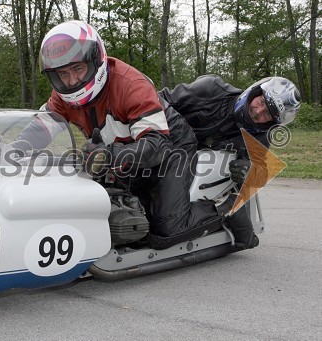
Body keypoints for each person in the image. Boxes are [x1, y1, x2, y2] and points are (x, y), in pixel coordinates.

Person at [35, 20, 237, 250]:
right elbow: (41, 128)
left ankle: (227, 208)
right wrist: (11, 148)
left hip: (170, 145)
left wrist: (109, 155)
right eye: (63, 73)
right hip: (125, 151)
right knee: (121, 212)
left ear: (95, 60)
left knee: (166, 229)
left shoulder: (130, 85)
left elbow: (157, 146)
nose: (71, 81)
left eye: (78, 69)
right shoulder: (62, 95)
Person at [158, 75, 301, 249]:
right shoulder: (211, 89)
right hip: (166, 144)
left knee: (165, 226)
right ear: (256, 91)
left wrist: (250, 172)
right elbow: (160, 99)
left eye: (267, 115)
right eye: (262, 102)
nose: (258, 111)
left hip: (194, 176)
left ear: (272, 122)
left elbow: (261, 171)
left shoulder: (260, 136)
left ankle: (226, 208)